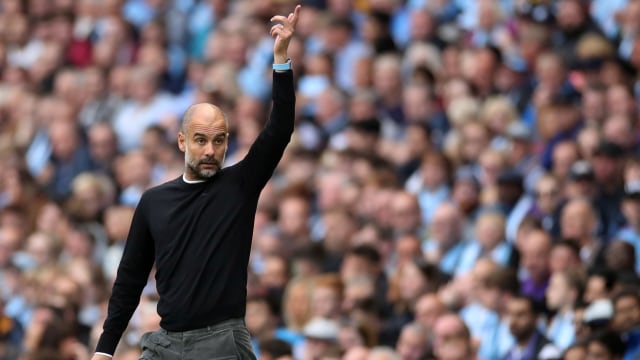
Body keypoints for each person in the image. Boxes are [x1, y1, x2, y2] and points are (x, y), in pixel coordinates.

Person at [91, 5, 301, 359]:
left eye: (219, 140)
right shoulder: (154, 201)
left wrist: (280, 61)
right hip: (165, 342)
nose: (210, 150)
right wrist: (105, 350)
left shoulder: (240, 185)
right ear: (182, 141)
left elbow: (279, 130)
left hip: (222, 341)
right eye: (201, 139)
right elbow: (129, 281)